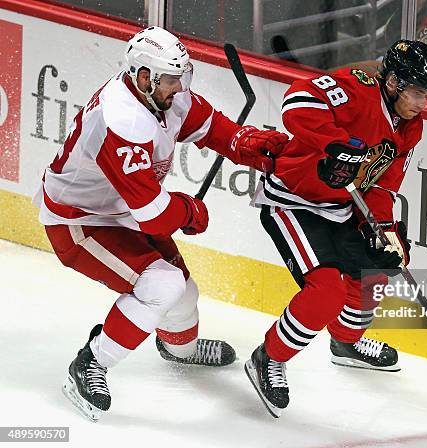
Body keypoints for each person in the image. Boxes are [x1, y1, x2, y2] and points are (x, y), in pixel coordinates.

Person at [33, 26, 288, 421]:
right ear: (143, 76)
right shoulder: (122, 119)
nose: (179, 86)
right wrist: (189, 210)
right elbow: (152, 212)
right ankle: (90, 362)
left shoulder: (162, 94)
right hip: (79, 220)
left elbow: (211, 127)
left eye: (180, 76)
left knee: (184, 295)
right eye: (171, 79)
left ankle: (178, 350)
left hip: (122, 211)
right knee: (162, 286)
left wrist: (245, 143)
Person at [245, 40, 427, 417]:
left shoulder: (411, 127)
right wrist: (336, 145)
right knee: (326, 292)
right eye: (417, 93)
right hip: (295, 201)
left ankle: (346, 343)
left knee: (374, 273)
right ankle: (268, 357)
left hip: (343, 207)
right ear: (393, 83)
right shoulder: (356, 89)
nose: (422, 103)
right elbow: (297, 103)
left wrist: (384, 229)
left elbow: (384, 183)